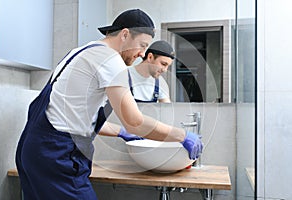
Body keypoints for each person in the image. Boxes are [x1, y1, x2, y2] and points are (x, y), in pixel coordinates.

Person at [15, 8, 203, 200]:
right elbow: (134, 121)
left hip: (34, 149)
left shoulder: (82, 51)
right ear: (125, 34)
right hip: (57, 156)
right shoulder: (111, 60)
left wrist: (122, 132)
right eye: (142, 45)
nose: (142, 54)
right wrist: (182, 135)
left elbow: (74, 115)